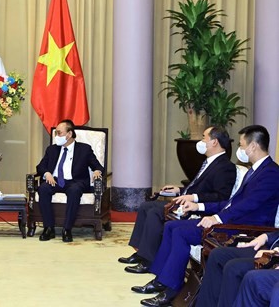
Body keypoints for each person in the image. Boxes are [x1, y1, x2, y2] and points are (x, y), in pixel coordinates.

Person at [133, 125, 279, 307]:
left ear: (253, 146)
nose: (240, 150)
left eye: (242, 145)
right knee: (172, 226)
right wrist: (198, 206)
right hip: (231, 220)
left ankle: (170, 290)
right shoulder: (253, 170)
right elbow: (230, 202)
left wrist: (217, 218)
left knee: (180, 232)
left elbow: (248, 205)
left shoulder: (271, 173)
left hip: (244, 227)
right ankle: (163, 281)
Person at [118, 126, 235, 274]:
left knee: (155, 212)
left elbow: (221, 196)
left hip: (196, 207)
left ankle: (148, 260)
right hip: (187, 202)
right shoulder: (209, 162)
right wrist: (179, 190)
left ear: (214, 142)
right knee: (146, 206)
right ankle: (140, 251)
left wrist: (193, 198)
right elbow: (198, 187)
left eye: (204, 137)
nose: (201, 141)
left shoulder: (225, 167)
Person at [35, 119, 103, 243]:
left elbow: (97, 165)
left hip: (75, 181)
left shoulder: (84, 149)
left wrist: (97, 171)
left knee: (74, 190)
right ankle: (48, 228)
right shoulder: (52, 149)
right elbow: (40, 166)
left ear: (69, 134)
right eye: (56, 133)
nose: (56, 136)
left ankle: (67, 229)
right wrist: (47, 173)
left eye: (59, 133)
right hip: (54, 181)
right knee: (43, 188)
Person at [197, 230, 279, 306]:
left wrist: (276, 252)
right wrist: (266, 236)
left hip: (274, 255)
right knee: (218, 255)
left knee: (234, 268)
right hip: (272, 245)